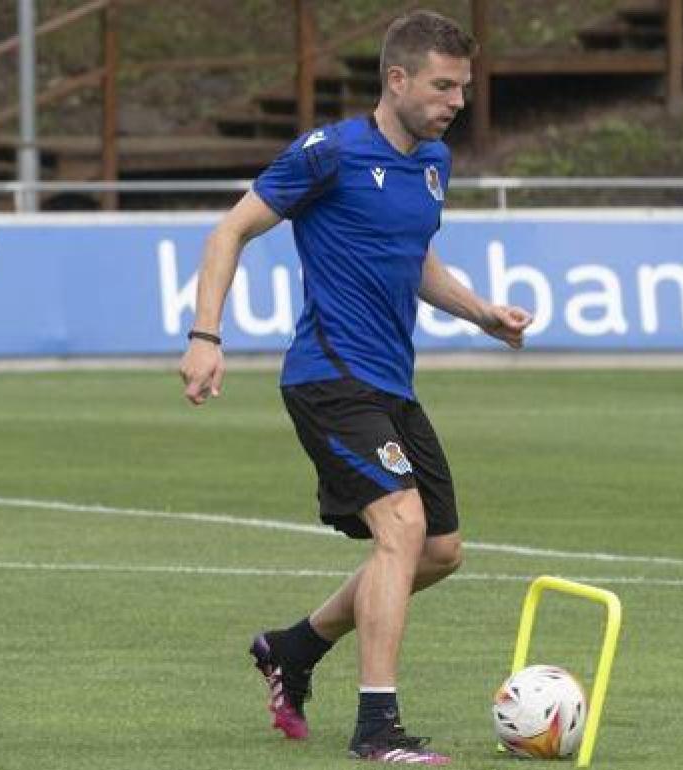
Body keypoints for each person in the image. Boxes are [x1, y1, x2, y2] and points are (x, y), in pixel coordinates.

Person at [178, 9, 532, 765]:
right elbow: (228, 232)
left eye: (463, 87)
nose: (456, 102)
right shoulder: (328, 153)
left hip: (390, 385)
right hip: (328, 377)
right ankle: (377, 729)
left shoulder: (433, 162)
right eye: (443, 86)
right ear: (397, 80)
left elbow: (416, 259)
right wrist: (206, 337)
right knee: (399, 526)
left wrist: (482, 314)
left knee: (439, 550)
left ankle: (293, 649)